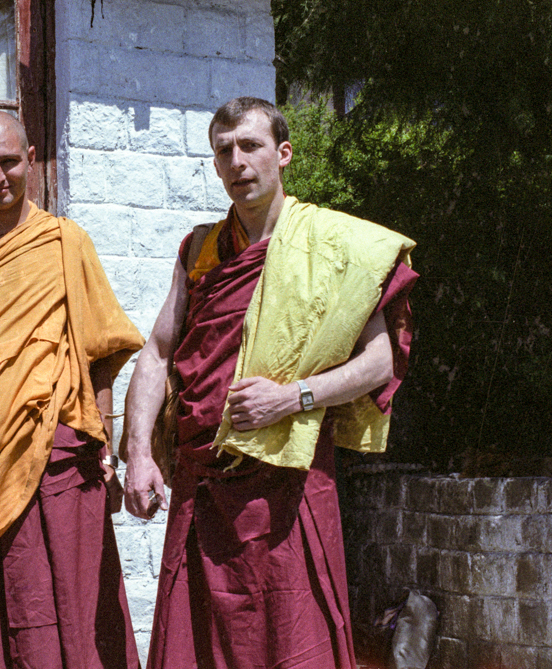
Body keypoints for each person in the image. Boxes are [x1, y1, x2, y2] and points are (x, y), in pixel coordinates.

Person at [121, 97, 418, 669]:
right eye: (224, 151)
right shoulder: (201, 250)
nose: (238, 161)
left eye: (251, 146)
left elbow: (379, 362)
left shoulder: (336, 247)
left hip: (288, 478)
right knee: (196, 641)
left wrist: (292, 397)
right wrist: (138, 453)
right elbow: (157, 352)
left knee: (292, 634)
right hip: (202, 480)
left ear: (282, 154)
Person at [0, 110, 146, 669]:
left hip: (61, 456)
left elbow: (100, 356)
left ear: (31, 160)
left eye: (10, 161)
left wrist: (106, 449)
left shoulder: (65, 242)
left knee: (70, 608)